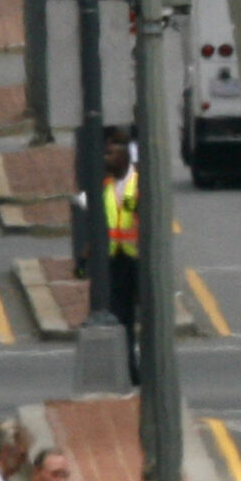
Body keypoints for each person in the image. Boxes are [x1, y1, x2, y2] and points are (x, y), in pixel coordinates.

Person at [101, 127, 140, 380]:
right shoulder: (104, 184)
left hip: (138, 260)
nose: (107, 157)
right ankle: (129, 369)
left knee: (143, 317)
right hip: (115, 261)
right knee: (120, 318)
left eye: (111, 152)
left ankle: (144, 365)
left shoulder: (138, 182)